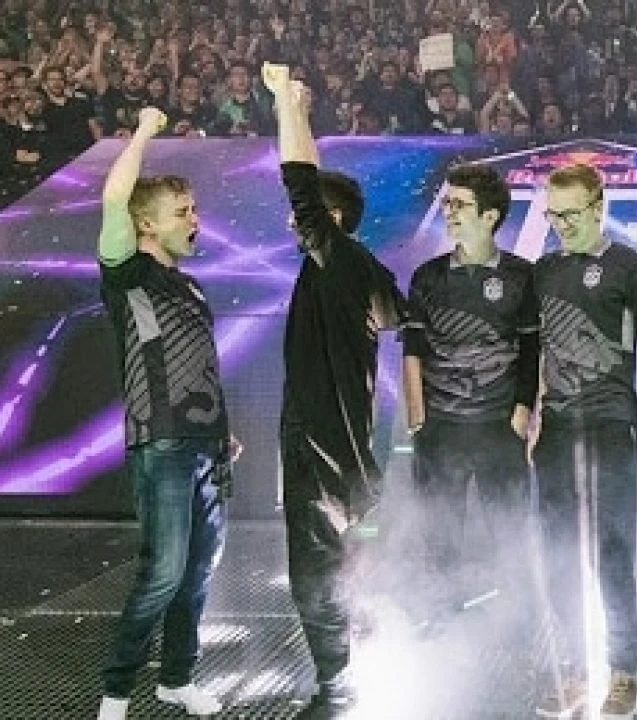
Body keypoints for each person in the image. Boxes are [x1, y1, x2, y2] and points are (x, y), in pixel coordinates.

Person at [260, 62, 407, 720]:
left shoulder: (339, 258)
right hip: (339, 448)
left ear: (333, 218)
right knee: (334, 570)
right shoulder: (360, 270)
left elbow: (300, 183)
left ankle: (338, 689)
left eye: (309, 216)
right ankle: (350, 670)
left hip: (322, 447)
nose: (293, 223)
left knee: (314, 577)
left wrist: (288, 105)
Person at [95, 106, 238, 720]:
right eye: (182, 212)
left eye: (194, 210)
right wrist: (145, 132)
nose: (194, 220)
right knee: (163, 573)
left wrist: (223, 432)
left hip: (207, 444)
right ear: (146, 225)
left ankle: (177, 680)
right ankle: (116, 693)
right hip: (161, 444)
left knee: (199, 571)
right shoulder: (128, 275)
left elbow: (200, 364)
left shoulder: (192, 286)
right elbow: (114, 197)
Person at [531, 163, 637, 720]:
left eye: (572, 213)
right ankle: (574, 669)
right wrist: (533, 413)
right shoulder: (543, 271)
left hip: (611, 425)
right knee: (558, 553)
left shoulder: (630, 267)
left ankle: (623, 670)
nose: (562, 224)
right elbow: (538, 349)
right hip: (556, 431)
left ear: (599, 208)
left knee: (613, 552)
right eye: (554, 215)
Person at [402, 163, 538, 625]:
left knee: (510, 532)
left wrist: (522, 412)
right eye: (446, 203)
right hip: (441, 428)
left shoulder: (522, 275)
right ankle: (441, 626)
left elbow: (532, 349)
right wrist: (418, 418)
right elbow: (413, 349)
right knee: (439, 538)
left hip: (499, 427)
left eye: (459, 204)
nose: (449, 212)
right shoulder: (428, 277)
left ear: (490, 216)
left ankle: (517, 627)